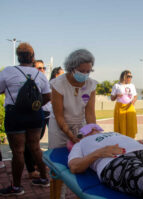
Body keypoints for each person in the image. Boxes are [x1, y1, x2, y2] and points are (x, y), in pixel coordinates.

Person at [0, 43, 51, 196]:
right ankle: (44, 178)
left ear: (18, 56)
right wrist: (35, 106)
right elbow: (48, 96)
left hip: (15, 114)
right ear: (33, 57)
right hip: (35, 115)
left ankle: (16, 187)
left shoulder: (8, 71)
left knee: (18, 151)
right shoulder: (39, 74)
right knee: (35, 147)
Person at [48, 49, 98, 149]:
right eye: (81, 71)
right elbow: (59, 115)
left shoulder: (91, 85)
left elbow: (90, 113)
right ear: (72, 68)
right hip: (60, 127)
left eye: (88, 71)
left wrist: (92, 130)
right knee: (59, 157)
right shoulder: (58, 84)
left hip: (81, 126)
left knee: (82, 154)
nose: (85, 74)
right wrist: (69, 134)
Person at [110, 70, 137, 138]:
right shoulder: (117, 85)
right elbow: (112, 98)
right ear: (123, 76)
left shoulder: (132, 85)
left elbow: (135, 96)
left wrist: (132, 103)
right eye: (128, 76)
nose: (130, 78)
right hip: (120, 107)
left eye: (131, 76)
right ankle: (122, 142)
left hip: (130, 107)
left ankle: (131, 142)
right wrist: (116, 95)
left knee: (131, 126)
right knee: (121, 126)